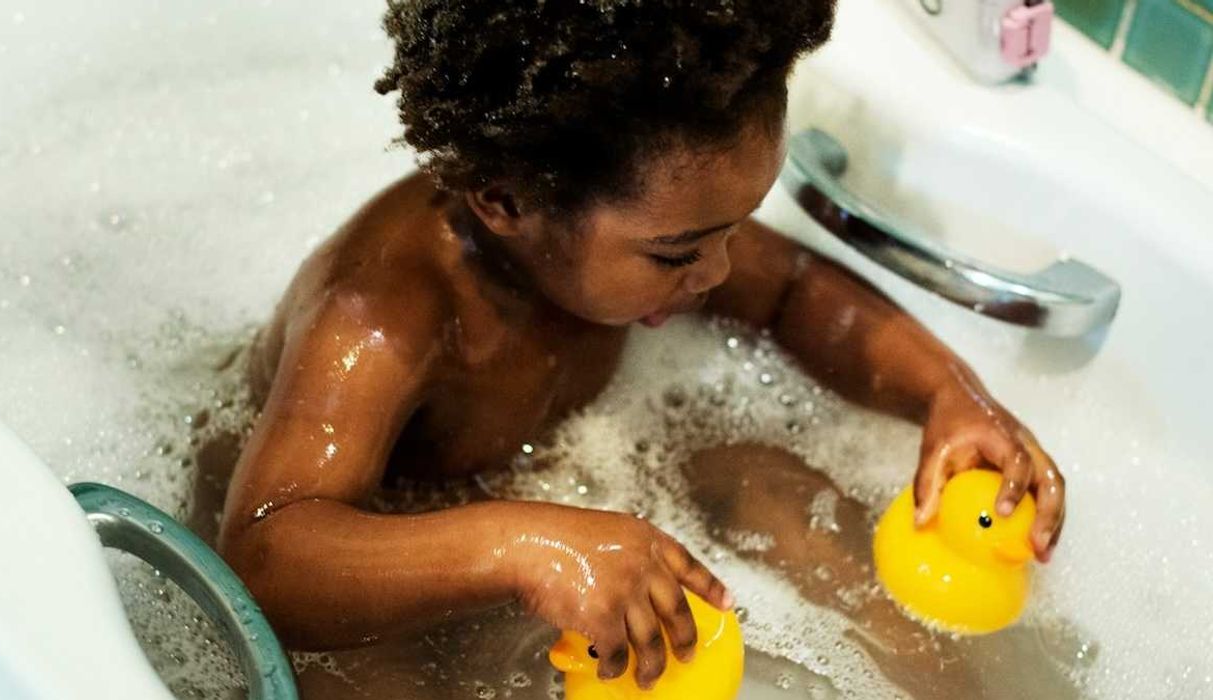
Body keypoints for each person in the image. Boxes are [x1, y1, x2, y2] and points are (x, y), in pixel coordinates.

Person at [216, 0, 1066, 691]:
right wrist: (526, 547)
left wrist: (946, 394)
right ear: (505, 200)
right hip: (367, 562)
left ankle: (943, 683)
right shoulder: (381, 312)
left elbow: (794, 293)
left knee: (766, 480)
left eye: (734, 229)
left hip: (557, 485)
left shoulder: (644, 222)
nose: (720, 270)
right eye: (680, 253)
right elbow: (264, 555)